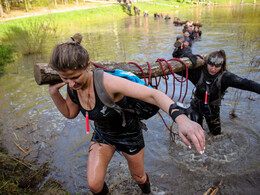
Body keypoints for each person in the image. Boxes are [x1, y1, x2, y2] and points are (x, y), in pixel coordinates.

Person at [48, 33, 205, 195]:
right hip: (103, 134)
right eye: (65, 78)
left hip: (129, 134)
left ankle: (147, 192)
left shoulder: (108, 83)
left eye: (75, 77)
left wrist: (181, 118)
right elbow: (70, 112)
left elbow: (153, 95)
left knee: (139, 177)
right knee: (94, 185)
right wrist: (54, 93)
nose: (71, 84)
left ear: (87, 66)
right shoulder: (72, 86)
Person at [176, 50, 260, 135]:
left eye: (217, 66)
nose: (213, 69)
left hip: (212, 110)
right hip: (196, 107)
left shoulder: (225, 77)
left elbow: (246, 83)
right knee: (195, 134)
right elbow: (174, 68)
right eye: (211, 65)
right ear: (206, 63)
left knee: (216, 136)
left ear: (221, 66)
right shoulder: (198, 73)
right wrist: (186, 55)